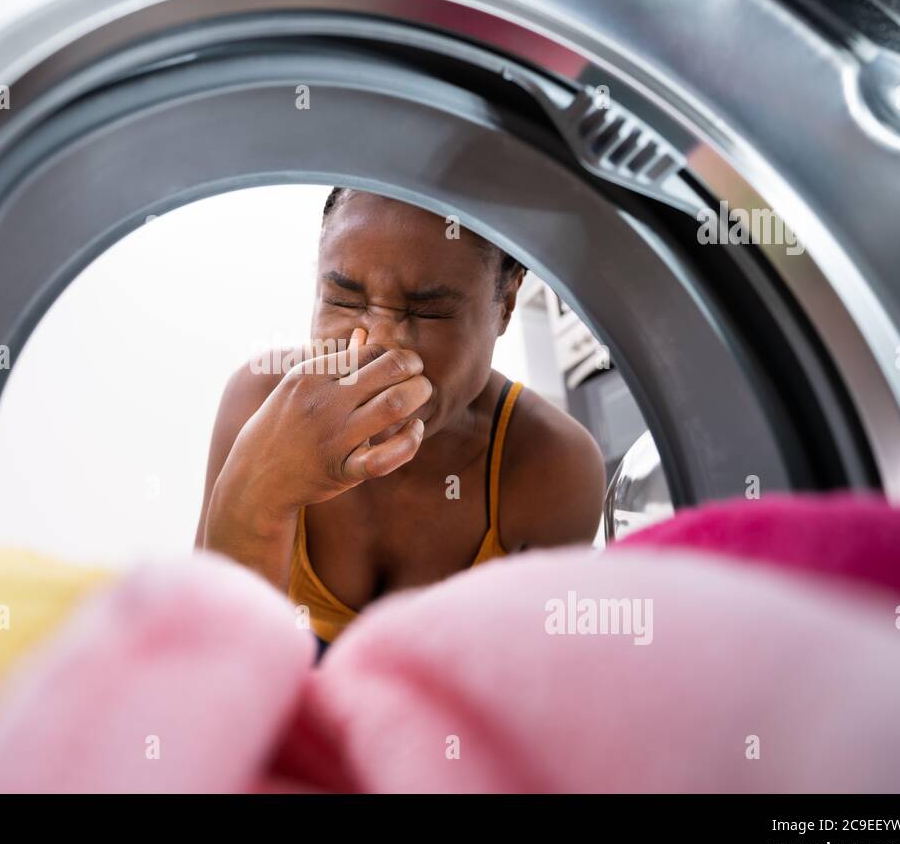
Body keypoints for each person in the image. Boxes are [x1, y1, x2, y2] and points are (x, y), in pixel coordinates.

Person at [196, 188, 605, 657]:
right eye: (344, 300)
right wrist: (261, 495)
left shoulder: (552, 467)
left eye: (427, 311)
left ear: (506, 305)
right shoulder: (260, 402)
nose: (380, 345)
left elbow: (527, 701)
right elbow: (209, 669)